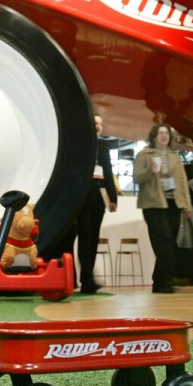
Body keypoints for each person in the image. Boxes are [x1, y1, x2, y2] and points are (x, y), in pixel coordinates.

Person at [134, 123, 191, 293]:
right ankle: (163, 281)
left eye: (167, 133)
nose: (164, 135)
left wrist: (187, 205)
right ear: (154, 136)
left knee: (170, 241)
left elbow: (183, 182)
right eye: (161, 133)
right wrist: (150, 171)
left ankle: (161, 280)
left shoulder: (175, 157)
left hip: (174, 203)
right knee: (164, 240)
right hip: (153, 203)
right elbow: (137, 178)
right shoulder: (144, 155)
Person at [76, 115, 118, 294]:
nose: (98, 126)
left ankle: (88, 279)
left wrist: (113, 198)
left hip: (99, 198)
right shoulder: (80, 145)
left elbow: (108, 172)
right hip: (83, 198)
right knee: (85, 239)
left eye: (101, 124)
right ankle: (86, 279)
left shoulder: (103, 148)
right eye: (95, 123)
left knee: (93, 239)